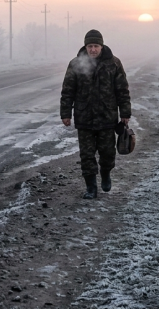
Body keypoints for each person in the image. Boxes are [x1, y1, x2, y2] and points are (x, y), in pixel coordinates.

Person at [60, 29, 132, 199]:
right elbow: (67, 90)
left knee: (107, 152)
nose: (93, 49)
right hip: (84, 117)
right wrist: (65, 113)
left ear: (101, 46)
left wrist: (125, 112)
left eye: (96, 46)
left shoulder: (113, 63)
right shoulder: (76, 64)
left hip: (107, 117)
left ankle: (106, 174)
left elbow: (122, 89)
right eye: (90, 46)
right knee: (86, 154)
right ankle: (91, 187)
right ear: (85, 46)